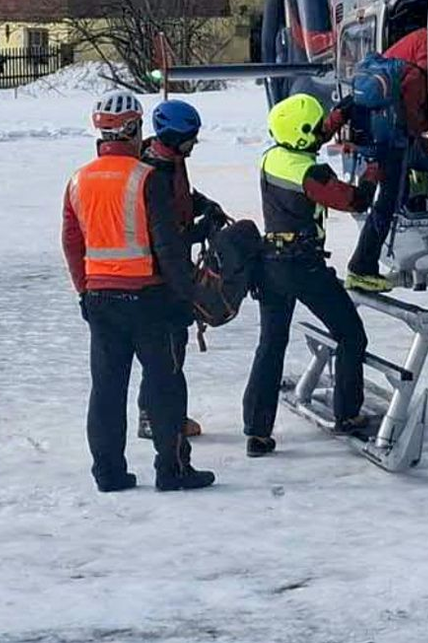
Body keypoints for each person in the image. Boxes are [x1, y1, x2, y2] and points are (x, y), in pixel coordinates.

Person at [62, 90, 216, 492]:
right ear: (132, 129)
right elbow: (166, 246)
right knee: (166, 385)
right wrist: (187, 297)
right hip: (149, 299)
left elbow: (72, 242)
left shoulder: (78, 180)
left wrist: (84, 290)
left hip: (100, 299)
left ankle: (109, 473)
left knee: (107, 390)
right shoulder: (145, 178)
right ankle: (172, 470)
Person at [243, 92, 376, 457]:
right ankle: (347, 414)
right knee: (350, 335)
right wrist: (372, 175)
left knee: (271, 344)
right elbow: (354, 201)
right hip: (303, 266)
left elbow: (306, 138)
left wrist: (336, 118)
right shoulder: (312, 172)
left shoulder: (273, 158)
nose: (322, 131)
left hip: (269, 263)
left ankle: (257, 431)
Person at [136, 99, 227, 443]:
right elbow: (165, 234)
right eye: (190, 137)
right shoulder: (153, 172)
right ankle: (155, 417)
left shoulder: (171, 161)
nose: (194, 143)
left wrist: (204, 206)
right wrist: (200, 232)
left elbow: (183, 198)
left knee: (174, 346)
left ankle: (165, 414)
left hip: (172, 266)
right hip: (159, 272)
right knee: (167, 348)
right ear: (173, 137)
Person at [344, 27, 428, 293]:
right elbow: (414, 112)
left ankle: (365, 259)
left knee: (378, 198)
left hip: (369, 134)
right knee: (386, 203)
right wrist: (423, 135)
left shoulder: (396, 59)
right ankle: (362, 268)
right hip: (390, 142)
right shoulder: (418, 71)